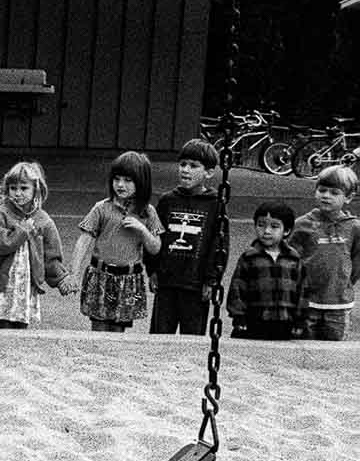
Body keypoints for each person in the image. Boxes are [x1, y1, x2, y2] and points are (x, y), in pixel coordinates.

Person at [66, 150, 164, 333]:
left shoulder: (148, 212)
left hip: (127, 280)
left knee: (118, 333)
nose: (120, 185)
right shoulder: (102, 208)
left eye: (128, 180)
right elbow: (84, 241)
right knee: (99, 329)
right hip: (100, 276)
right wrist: (74, 274)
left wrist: (142, 230)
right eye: (117, 179)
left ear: (141, 183)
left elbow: (155, 248)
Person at [147, 138, 226, 335]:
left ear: (208, 172)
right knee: (160, 335)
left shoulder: (216, 205)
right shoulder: (167, 201)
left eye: (193, 166)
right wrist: (153, 270)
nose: (185, 170)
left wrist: (211, 280)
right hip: (167, 281)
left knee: (192, 338)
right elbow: (154, 235)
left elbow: (219, 244)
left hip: (195, 285)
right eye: (182, 164)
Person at [0, 160, 68, 330]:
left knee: (21, 322)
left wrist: (60, 278)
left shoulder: (43, 220)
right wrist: (22, 231)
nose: (18, 193)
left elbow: (50, 256)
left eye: (23, 188)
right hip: (5, 281)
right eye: (13, 188)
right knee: (5, 321)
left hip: (27, 282)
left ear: (35, 189)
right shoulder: (1, 214)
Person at [292, 163, 360, 341]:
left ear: (348, 197)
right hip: (306, 302)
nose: (326, 196)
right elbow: (291, 260)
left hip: (338, 303)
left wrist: (343, 281)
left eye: (334, 192)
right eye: (322, 190)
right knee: (303, 348)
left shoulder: (354, 227)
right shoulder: (302, 224)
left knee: (334, 350)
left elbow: (357, 261)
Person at [225, 201, 303, 341]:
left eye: (274, 226)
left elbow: (302, 290)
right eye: (261, 225)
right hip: (254, 320)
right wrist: (238, 316)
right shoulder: (249, 257)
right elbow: (237, 287)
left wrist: (300, 319)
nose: (266, 231)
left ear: (286, 230)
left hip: (285, 321)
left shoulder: (293, 258)